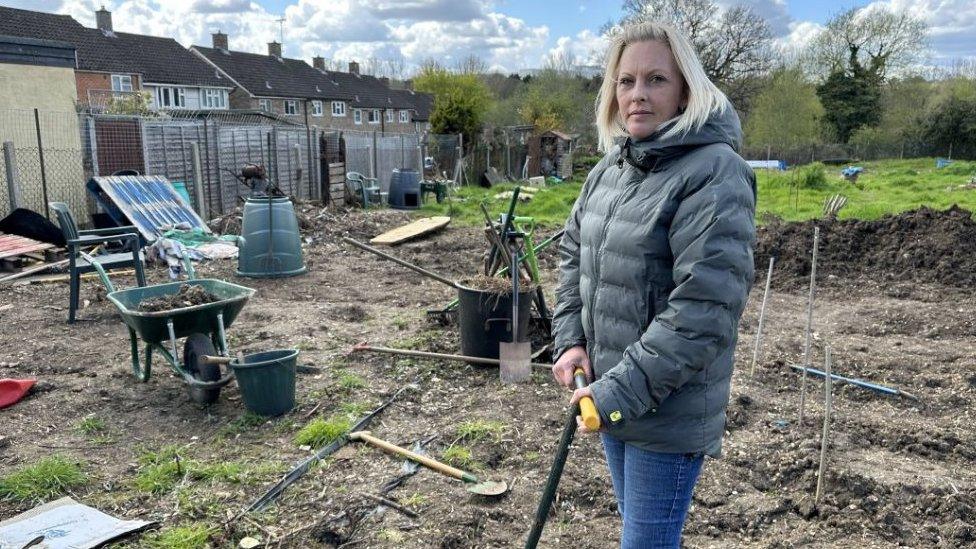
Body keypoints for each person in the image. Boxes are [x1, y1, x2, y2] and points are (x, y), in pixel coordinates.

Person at [550, 21, 756, 549]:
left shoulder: (714, 172)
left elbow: (703, 310)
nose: (637, 95)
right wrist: (572, 339)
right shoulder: (611, 168)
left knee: (646, 543)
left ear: (686, 89)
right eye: (625, 81)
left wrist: (616, 392)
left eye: (656, 79)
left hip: (665, 407)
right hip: (611, 395)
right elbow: (574, 254)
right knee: (639, 533)